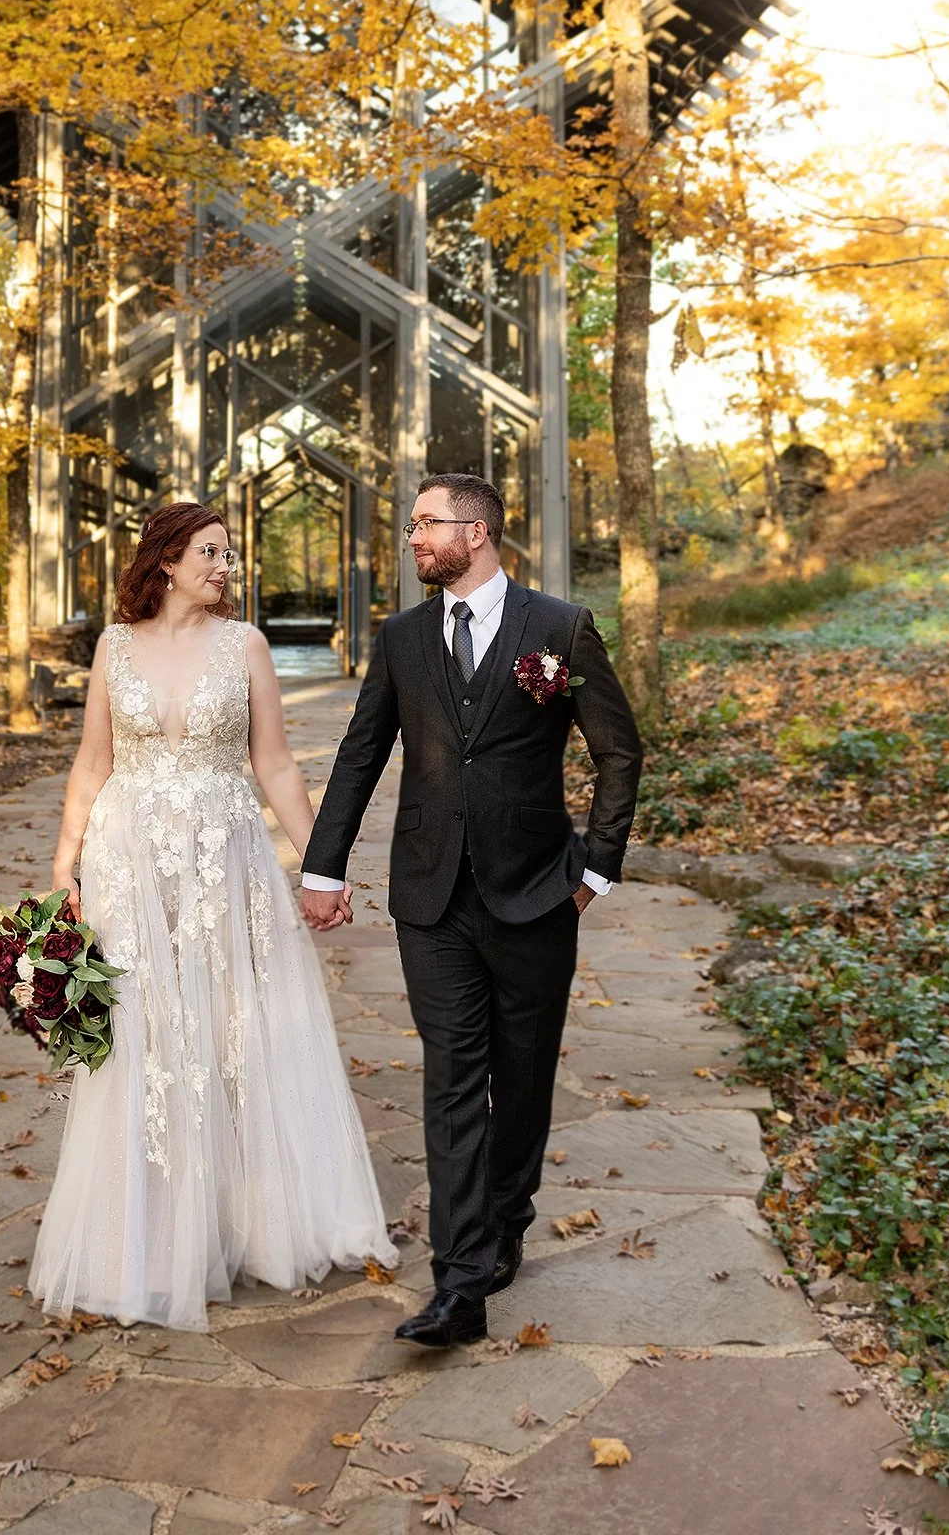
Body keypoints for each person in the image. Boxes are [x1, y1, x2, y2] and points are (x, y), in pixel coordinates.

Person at [30, 501, 396, 1331]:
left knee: (235, 1023)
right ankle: (144, 1238)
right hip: (127, 860)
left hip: (224, 860)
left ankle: (250, 1219)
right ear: (166, 561)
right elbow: (93, 760)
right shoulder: (114, 646)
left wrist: (322, 864)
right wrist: (65, 862)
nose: (225, 567)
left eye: (228, 554)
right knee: (141, 1031)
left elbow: (276, 763)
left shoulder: (246, 646)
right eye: (210, 552)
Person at [300, 473, 642, 1348]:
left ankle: (507, 1217)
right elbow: (360, 754)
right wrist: (324, 868)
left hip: (537, 893)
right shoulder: (403, 637)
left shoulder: (560, 628)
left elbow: (618, 752)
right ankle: (459, 1285)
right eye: (411, 525)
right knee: (452, 1080)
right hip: (431, 896)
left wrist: (595, 870)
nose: (412, 538)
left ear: (477, 532)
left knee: (520, 1079)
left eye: (426, 523)